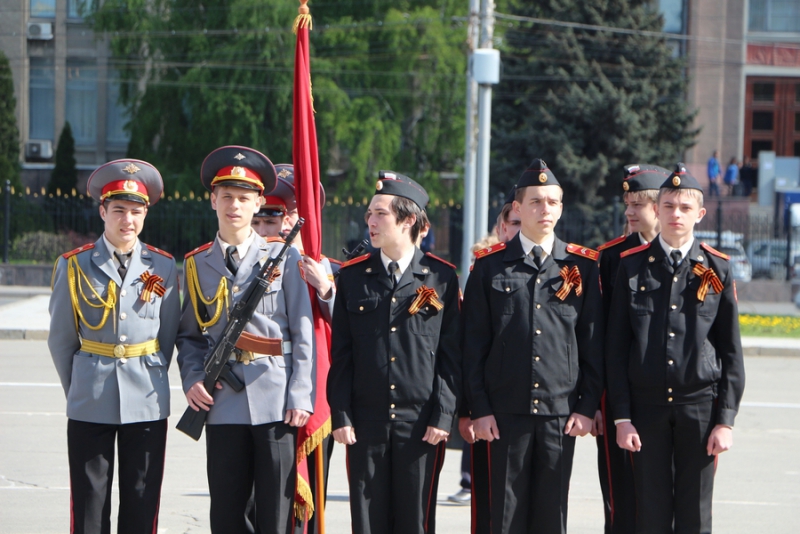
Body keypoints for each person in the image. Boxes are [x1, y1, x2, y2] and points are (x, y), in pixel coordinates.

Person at [176, 146, 315, 534]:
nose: (234, 205)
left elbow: (303, 331)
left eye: (243, 198)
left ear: (258, 203)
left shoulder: (283, 258)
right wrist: (192, 380)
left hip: (276, 400)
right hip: (221, 402)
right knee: (227, 513)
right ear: (212, 200)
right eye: (226, 197)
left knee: (274, 513)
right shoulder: (195, 263)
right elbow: (188, 336)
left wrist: (301, 394)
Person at [462, 159, 604, 534]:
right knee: (504, 517)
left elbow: (592, 343)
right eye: (537, 202)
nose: (546, 210)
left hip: (561, 414)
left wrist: (587, 406)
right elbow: (473, 345)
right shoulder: (490, 267)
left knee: (551, 516)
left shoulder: (581, 266)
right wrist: (480, 408)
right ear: (517, 209)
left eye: (553, 202)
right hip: (504, 414)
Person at [605, 163, 746, 533]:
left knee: (695, 514)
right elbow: (617, 349)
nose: (675, 214)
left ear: (699, 214)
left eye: (684, 208)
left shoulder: (717, 268)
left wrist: (725, 420)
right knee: (648, 512)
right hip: (646, 409)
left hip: (699, 407)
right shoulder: (631, 267)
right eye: (668, 206)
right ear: (658, 209)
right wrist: (621, 417)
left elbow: (731, 351)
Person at [48, 159, 180, 534]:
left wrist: (148, 373)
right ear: (103, 210)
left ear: (145, 215)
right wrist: (79, 387)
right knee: (90, 502)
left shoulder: (164, 267)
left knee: (142, 498)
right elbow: (61, 340)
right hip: (91, 394)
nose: (128, 220)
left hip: (146, 398)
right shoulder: (75, 266)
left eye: (136, 211)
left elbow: (166, 335)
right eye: (119, 210)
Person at [328, 170, 461, 534]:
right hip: (365, 422)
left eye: (380, 213)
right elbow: (342, 353)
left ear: (408, 220)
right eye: (370, 213)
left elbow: (451, 357)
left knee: (414, 522)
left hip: (420, 424)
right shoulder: (354, 276)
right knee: (367, 522)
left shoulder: (441, 278)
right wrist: (340, 414)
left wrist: (443, 415)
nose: (370, 220)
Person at [595, 163, 667, 534]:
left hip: (665, 394)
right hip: (617, 394)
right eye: (627, 203)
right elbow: (598, 334)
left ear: (658, 206)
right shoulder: (610, 257)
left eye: (637, 204)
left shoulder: (679, 254)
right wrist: (592, 400)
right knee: (620, 496)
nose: (628, 212)